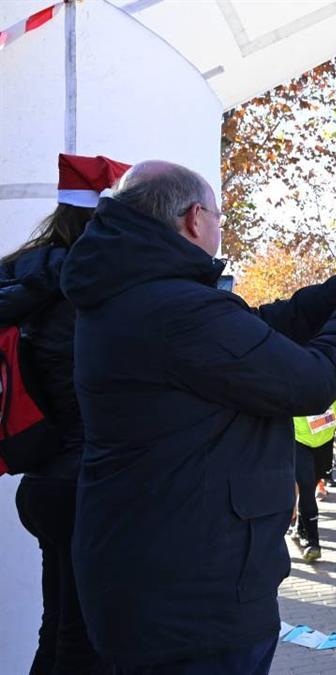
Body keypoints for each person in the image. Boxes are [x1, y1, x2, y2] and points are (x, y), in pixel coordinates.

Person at [60, 160, 336, 673]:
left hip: (161, 570)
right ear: (194, 218)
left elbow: (253, 333)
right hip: (192, 595)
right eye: (219, 216)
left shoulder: (141, 293)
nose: (221, 228)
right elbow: (308, 381)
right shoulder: (176, 309)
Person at [1, 153, 129, 675]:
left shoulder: (26, 278)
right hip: (89, 487)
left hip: (43, 480)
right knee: (86, 641)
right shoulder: (91, 295)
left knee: (59, 627)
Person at [292, 379, 336, 562]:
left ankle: (300, 525)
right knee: (306, 487)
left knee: (311, 485)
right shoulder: (296, 369)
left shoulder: (335, 372)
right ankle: (313, 542)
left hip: (324, 441)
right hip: (299, 439)